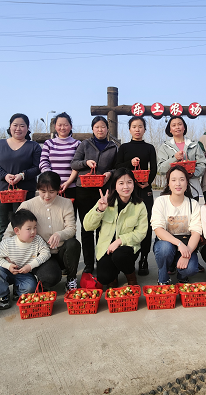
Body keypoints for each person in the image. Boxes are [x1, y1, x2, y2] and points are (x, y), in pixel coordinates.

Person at [3, 171, 81, 291]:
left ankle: (71, 279)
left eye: (52, 192)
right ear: (38, 189)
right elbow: (10, 231)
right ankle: (41, 279)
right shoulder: (28, 205)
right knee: (50, 278)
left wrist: (59, 234)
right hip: (41, 254)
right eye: (43, 191)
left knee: (73, 244)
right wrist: (7, 252)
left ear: (58, 189)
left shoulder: (65, 203)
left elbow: (71, 228)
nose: (47, 196)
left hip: (61, 252)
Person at [82, 168, 148, 287]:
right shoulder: (105, 202)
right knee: (104, 278)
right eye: (121, 183)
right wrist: (99, 210)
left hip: (127, 249)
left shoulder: (139, 205)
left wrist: (120, 241)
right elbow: (87, 226)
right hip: (106, 249)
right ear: (115, 186)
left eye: (129, 182)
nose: (125, 187)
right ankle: (113, 275)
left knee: (120, 255)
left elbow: (141, 233)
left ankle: (131, 276)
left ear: (134, 184)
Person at [71, 115, 118, 274]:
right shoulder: (85, 144)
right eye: (97, 127)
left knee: (103, 228)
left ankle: (101, 260)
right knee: (86, 228)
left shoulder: (113, 147)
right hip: (83, 190)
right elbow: (74, 163)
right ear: (92, 129)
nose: (100, 130)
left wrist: (110, 173)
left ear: (107, 129)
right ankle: (89, 264)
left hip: (103, 190)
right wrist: (86, 162)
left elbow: (117, 167)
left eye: (103, 127)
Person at [0, 113, 41, 242]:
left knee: (24, 226)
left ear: (27, 128)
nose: (18, 128)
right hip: (2, 190)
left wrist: (22, 175)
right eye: (15, 125)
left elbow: (38, 167)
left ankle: (23, 257)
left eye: (22, 125)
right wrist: (4, 175)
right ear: (10, 127)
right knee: (4, 226)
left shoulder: (33, 146)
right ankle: (5, 257)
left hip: (25, 192)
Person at [115, 116, 157, 276]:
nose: (137, 129)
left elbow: (153, 168)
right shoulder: (124, 147)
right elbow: (118, 167)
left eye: (140, 126)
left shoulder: (149, 147)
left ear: (144, 129)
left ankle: (144, 258)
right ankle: (129, 254)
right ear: (130, 129)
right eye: (134, 126)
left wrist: (148, 182)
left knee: (145, 224)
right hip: (127, 191)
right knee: (127, 223)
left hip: (144, 189)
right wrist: (129, 164)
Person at [0, 209, 51, 310]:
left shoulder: (37, 240)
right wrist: (8, 265)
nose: (33, 232)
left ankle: (18, 290)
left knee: (31, 287)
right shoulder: (8, 243)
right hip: (7, 272)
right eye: (28, 229)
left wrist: (30, 266)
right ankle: (2, 295)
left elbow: (46, 253)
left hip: (24, 273)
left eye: (35, 228)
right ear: (17, 231)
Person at [151, 165, 202, 285]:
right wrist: (178, 244)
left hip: (186, 245)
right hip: (167, 244)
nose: (178, 183)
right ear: (168, 183)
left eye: (182, 179)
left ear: (187, 183)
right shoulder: (161, 201)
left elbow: (196, 232)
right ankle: (163, 278)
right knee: (164, 249)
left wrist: (187, 252)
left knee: (191, 269)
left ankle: (182, 275)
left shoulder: (193, 204)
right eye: (173, 180)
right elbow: (158, 229)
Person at [156, 116, 206, 200]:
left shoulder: (194, 145)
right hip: (173, 190)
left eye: (180, 124)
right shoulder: (165, 147)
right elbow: (161, 169)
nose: (177, 127)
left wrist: (193, 173)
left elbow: (202, 164)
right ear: (170, 130)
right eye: (174, 125)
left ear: (184, 128)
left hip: (192, 188)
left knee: (192, 211)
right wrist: (174, 158)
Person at [39, 112, 81, 203]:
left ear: (71, 126)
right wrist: (52, 181)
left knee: (69, 215)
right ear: (55, 126)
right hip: (52, 188)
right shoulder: (49, 143)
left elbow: (78, 165)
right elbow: (43, 162)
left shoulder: (77, 144)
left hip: (72, 187)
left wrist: (68, 182)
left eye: (65, 125)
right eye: (60, 125)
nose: (62, 128)